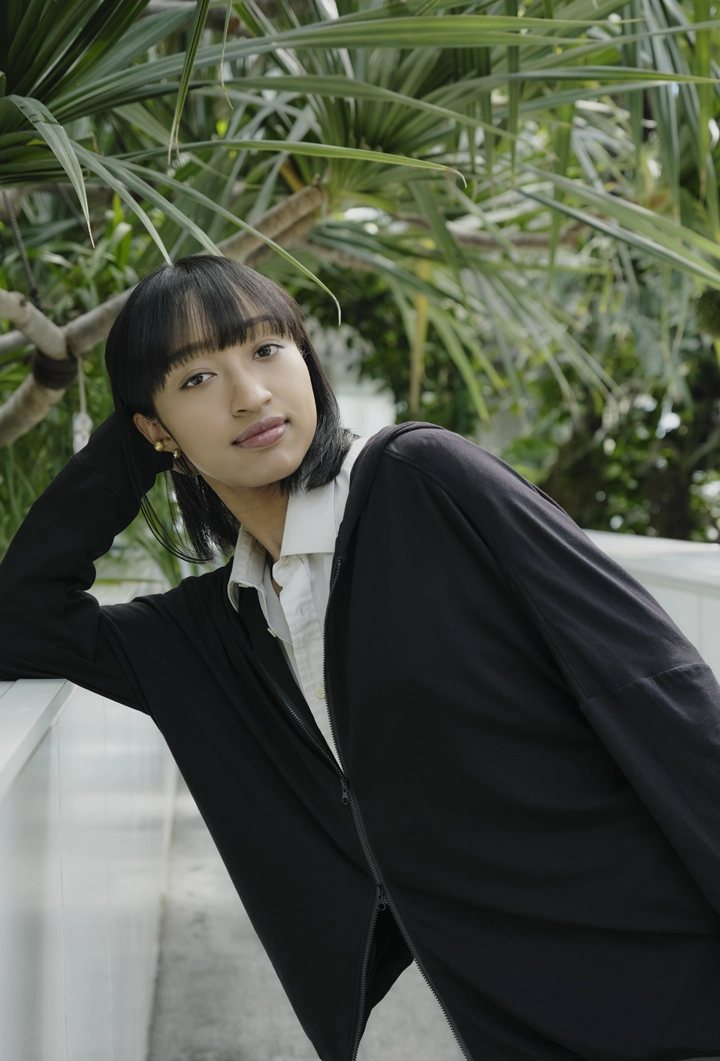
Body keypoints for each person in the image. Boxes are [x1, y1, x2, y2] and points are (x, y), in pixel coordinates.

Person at [0, 254, 719, 1061]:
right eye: (196, 378)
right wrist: (134, 448)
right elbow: (23, 615)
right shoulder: (223, 626)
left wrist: (172, 412)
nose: (250, 394)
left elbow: (659, 683)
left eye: (266, 349)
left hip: (675, 978)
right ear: (155, 428)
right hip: (511, 1017)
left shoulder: (426, 480)